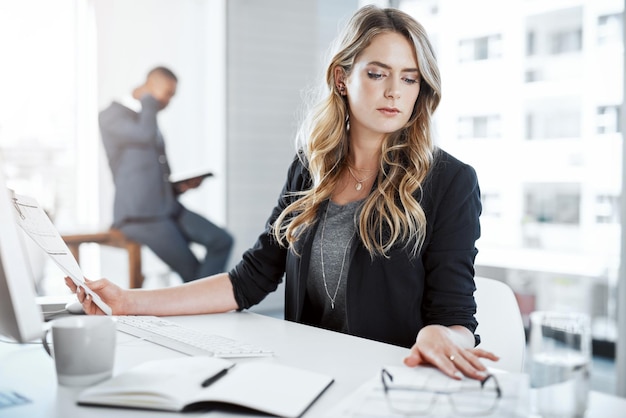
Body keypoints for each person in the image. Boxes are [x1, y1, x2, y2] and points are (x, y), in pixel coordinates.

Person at [70, 6, 499, 380]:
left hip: (389, 385)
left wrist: (439, 334)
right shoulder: (309, 167)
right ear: (342, 78)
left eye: (409, 78)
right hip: (305, 376)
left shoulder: (451, 181)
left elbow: (455, 318)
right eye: (377, 73)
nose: (394, 92)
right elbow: (249, 280)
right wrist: (128, 301)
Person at [98, 66, 233, 283]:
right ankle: (205, 306)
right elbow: (144, 136)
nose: (168, 101)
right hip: (140, 216)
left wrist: (179, 187)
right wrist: (149, 100)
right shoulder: (112, 116)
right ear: (151, 86)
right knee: (193, 272)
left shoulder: (146, 117)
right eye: (168, 94)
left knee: (222, 240)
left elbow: (147, 173)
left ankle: (202, 304)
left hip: (167, 207)